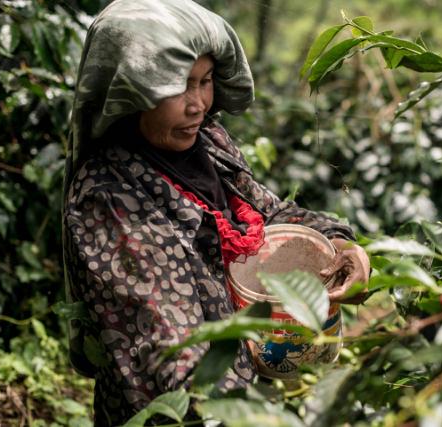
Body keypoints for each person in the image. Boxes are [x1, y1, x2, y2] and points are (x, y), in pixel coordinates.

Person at [61, 0, 370, 424]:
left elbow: (268, 213)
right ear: (133, 91)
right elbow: (174, 357)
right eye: (178, 87)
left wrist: (338, 243)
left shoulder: (207, 143)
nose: (198, 104)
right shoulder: (109, 201)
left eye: (205, 82)